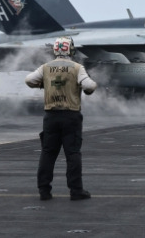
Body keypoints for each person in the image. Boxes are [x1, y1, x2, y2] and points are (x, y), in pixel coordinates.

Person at [25, 36, 97, 201]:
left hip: (51, 116)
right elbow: (90, 86)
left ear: (55, 49)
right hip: (71, 115)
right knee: (72, 154)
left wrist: (43, 84)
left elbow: (29, 80)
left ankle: (44, 191)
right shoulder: (77, 67)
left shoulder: (45, 67)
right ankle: (76, 191)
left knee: (48, 153)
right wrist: (86, 91)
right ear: (70, 49)